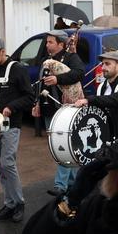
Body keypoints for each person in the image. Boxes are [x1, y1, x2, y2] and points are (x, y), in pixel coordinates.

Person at [0, 36, 35, 223]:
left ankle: (19, 202)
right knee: (0, 166)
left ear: (3, 50)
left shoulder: (18, 69)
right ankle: (9, 202)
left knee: (7, 162)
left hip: (11, 125)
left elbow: (29, 97)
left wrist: (11, 107)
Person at [36, 30, 86, 198]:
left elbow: (80, 73)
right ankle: (75, 183)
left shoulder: (71, 57)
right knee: (61, 147)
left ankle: (60, 184)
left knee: (62, 146)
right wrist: (36, 103)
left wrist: (59, 79)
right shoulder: (45, 61)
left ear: (61, 44)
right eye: (47, 42)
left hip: (65, 108)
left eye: (50, 42)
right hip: (48, 107)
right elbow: (40, 83)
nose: (47, 45)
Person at [76, 51, 118, 141]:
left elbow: (114, 99)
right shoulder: (101, 87)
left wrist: (88, 100)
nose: (103, 68)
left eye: (107, 64)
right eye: (102, 64)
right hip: (106, 138)